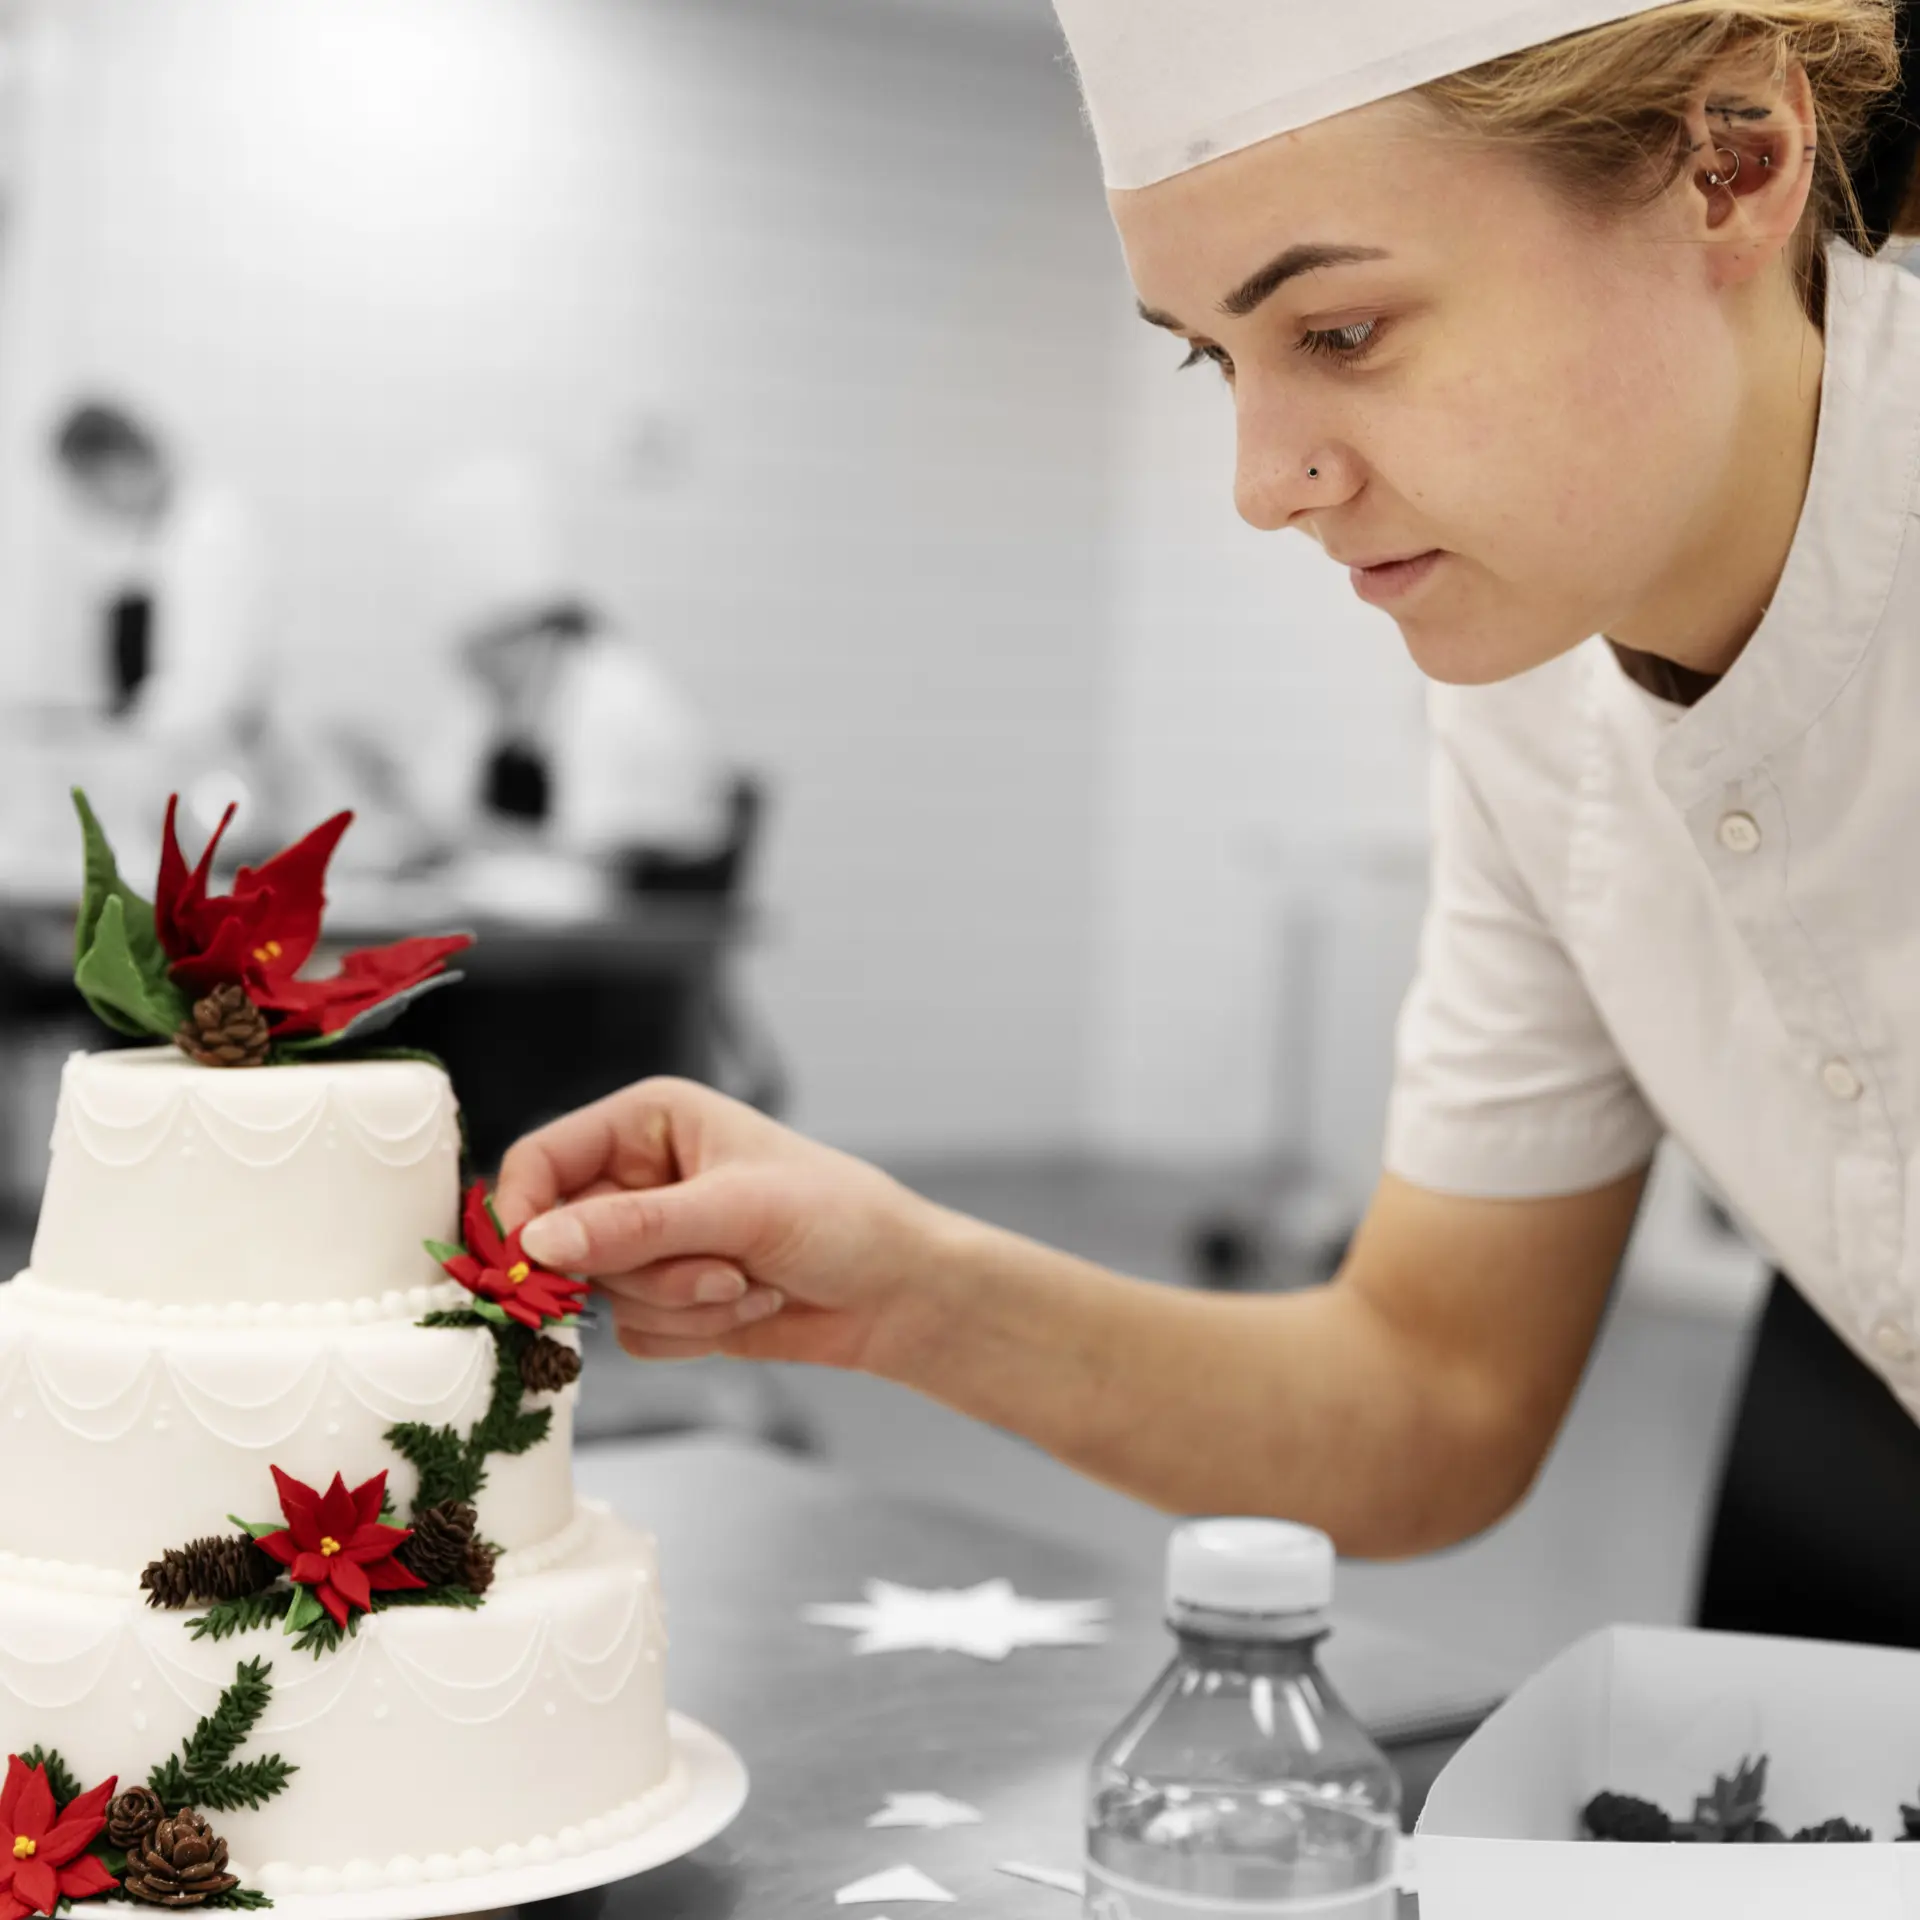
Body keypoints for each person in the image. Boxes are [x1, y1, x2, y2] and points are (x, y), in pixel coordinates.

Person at [495, 0, 1920, 1649]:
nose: (1261, 484)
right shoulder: (1526, 699)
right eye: (1211, 356)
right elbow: (1432, 1396)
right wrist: (902, 1286)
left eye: (1342, 332)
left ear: (1731, 164)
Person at [48, 398, 269, 756]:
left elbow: (204, 686)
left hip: (206, 756)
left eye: (92, 490)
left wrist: (117, 738)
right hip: (173, 750)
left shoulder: (210, 529)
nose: (96, 507)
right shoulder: (160, 534)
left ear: (116, 464)